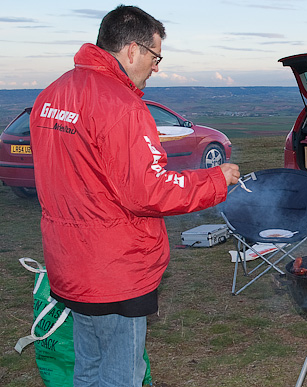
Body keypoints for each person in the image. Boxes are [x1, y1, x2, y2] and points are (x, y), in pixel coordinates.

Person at [29, 6, 240, 385]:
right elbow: (148, 191)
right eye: (155, 57)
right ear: (132, 50)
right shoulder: (121, 105)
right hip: (114, 267)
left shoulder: (52, 93)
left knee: (88, 366)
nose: (156, 68)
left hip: (69, 260)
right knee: (122, 373)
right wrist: (215, 180)